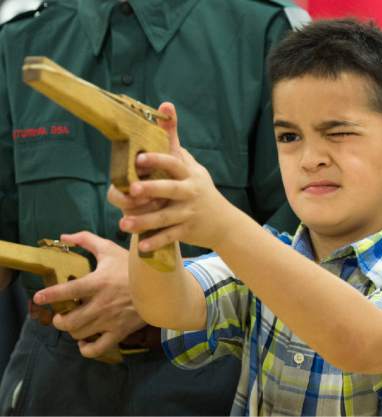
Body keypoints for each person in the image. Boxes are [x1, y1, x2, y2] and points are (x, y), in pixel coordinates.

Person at [108, 18, 382, 416]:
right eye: (289, 137)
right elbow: (166, 305)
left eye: (338, 133)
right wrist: (152, 218)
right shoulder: (263, 256)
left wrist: (221, 223)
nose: (310, 159)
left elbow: (360, 341)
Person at [0, 0, 309, 415]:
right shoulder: (19, 41)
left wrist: (160, 291)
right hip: (51, 380)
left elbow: (311, 238)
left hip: (215, 375)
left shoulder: (265, 33)